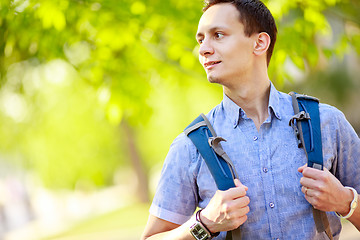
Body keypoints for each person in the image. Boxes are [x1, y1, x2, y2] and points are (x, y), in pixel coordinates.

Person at [141, 0, 360, 239]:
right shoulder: (190, 147)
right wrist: (204, 223)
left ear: (259, 42)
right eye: (201, 39)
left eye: (218, 35)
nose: (203, 49)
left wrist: (346, 202)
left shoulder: (327, 123)